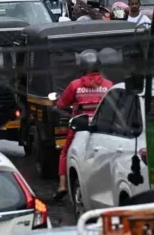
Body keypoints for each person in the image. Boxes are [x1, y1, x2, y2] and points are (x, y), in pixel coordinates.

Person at [53, 50, 112, 201]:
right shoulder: (108, 85)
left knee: (65, 153)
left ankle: (62, 185)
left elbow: (61, 104)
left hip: (80, 128)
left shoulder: (75, 85)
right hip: (102, 129)